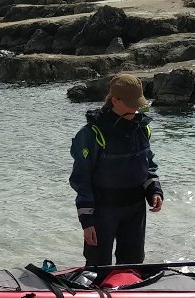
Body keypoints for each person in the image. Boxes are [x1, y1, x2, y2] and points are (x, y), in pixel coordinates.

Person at [69, 73, 163, 267]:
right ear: (114, 100)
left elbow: (148, 165)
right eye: (131, 104)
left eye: (138, 103)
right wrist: (87, 221)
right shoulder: (91, 134)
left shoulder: (142, 128)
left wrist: (154, 190)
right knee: (98, 267)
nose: (136, 108)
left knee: (133, 266)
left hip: (135, 210)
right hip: (103, 211)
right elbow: (81, 180)